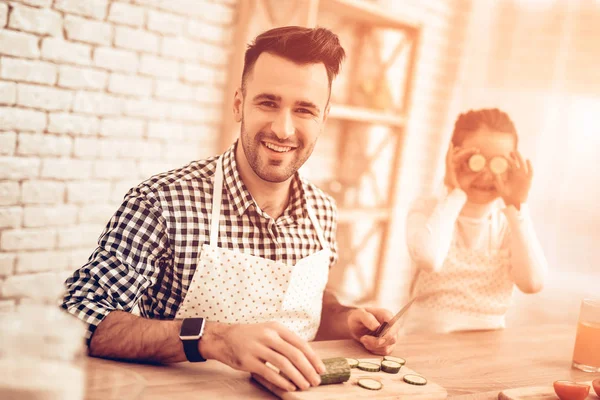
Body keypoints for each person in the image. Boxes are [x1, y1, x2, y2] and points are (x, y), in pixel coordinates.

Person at [61, 26, 399, 393]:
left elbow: (309, 303)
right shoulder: (162, 202)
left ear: (324, 117)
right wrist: (212, 339)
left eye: (304, 109)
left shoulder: (323, 210)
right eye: (268, 102)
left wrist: (346, 319)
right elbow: (77, 317)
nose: (284, 130)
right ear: (239, 102)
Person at [402, 108, 548, 334]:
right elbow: (429, 259)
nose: (487, 174)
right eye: (475, 160)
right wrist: (455, 193)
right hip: (426, 345)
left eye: (499, 163)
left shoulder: (509, 221)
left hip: (486, 351)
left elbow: (532, 283)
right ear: (453, 157)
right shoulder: (429, 209)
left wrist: (517, 207)